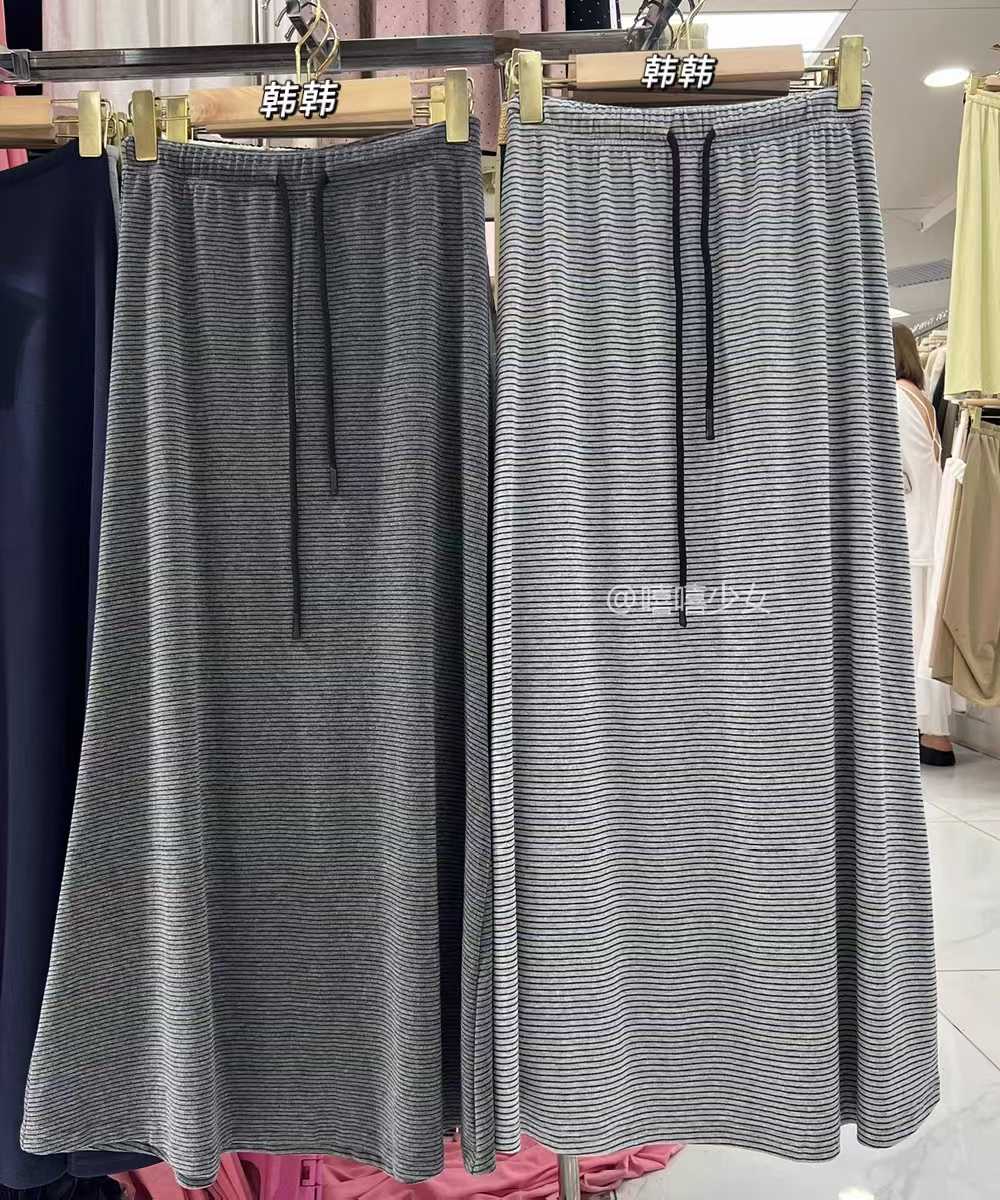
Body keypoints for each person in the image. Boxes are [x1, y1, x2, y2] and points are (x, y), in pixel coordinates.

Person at [893, 321, 955, 766]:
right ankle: (932, 734)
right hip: (929, 528)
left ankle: (933, 736)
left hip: (913, 533)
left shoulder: (895, 397)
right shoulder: (919, 397)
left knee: (915, 638)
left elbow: (899, 472)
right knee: (924, 637)